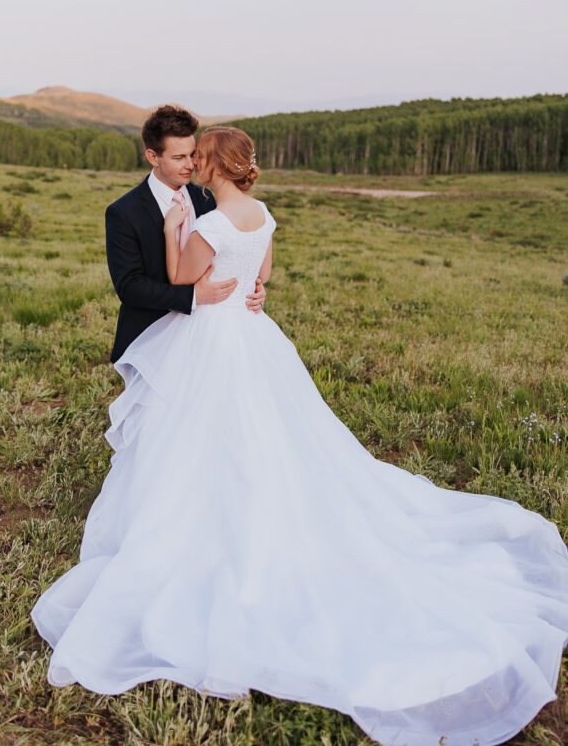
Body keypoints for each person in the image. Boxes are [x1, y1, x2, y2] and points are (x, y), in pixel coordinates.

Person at [31, 127, 568, 746]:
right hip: (254, 338)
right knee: (270, 436)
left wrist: (177, 226)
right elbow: (261, 278)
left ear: (216, 166)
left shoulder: (203, 221)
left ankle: (207, 522)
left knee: (196, 436)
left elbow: (184, 274)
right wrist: (247, 288)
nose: (194, 165)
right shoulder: (261, 216)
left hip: (209, 339)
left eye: (200, 158)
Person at [104, 104, 265, 363]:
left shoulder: (206, 199)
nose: (191, 165)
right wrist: (192, 296)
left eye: (193, 155)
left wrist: (251, 290)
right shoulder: (123, 212)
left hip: (207, 339)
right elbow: (130, 287)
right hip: (148, 341)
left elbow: (224, 256)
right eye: (179, 158)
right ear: (153, 157)